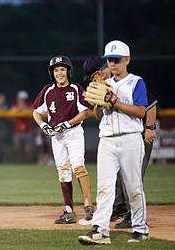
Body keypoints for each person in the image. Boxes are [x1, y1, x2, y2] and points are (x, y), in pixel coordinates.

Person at [78, 40, 150, 245]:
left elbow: (140, 111)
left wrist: (114, 100)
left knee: (133, 187)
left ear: (127, 60)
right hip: (107, 140)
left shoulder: (136, 82)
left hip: (131, 139)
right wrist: (98, 103)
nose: (112, 64)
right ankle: (100, 231)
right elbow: (100, 115)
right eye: (109, 60)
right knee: (104, 188)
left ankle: (141, 229)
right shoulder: (103, 84)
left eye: (116, 60)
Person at [32, 55, 95, 224]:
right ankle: (69, 211)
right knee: (63, 171)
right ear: (52, 73)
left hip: (73, 133)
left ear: (69, 71)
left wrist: (67, 124)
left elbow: (86, 112)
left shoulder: (76, 88)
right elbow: (36, 112)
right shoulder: (47, 90)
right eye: (56, 70)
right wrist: (43, 125)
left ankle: (88, 206)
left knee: (78, 167)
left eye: (62, 69)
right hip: (56, 136)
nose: (59, 73)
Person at [113, 91, 158, 228]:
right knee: (117, 174)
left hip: (139, 136)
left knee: (133, 177)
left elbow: (150, 105)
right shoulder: (108, 87)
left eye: (94, 75)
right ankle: (119, 208)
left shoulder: (132, 83)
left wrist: (149, 128)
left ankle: (135, 216)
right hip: (120, 137)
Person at [11, 90, 34, 163]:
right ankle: (22, 161)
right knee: (19, 148)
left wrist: (24, 109)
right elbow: (11, 112)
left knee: (28, 148)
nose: (23, 101)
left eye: (24, 99)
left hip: (27, 130)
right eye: (21, 99)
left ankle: (28, 162)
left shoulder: (29, 105)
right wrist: (20, 108)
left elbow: (32, 111)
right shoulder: (15, 106)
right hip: (18, 131)